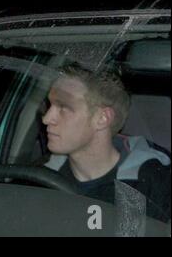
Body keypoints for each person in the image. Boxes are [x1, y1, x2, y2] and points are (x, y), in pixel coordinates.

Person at [43, 63, 171, 222]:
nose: (46, 118)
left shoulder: (156, 185)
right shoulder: (38, 179)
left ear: (102, 118)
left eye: (63, 107)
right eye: (49, 105)